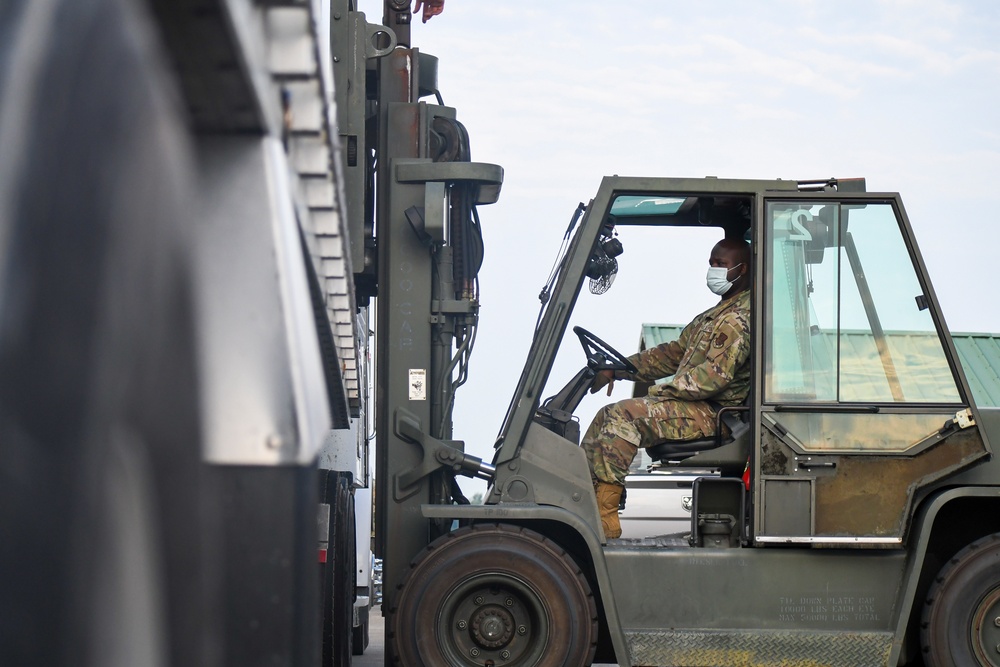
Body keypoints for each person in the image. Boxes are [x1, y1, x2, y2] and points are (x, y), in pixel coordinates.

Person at [583, 238, 752, 539]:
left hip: (714, 414)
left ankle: (604, 521)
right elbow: (673, 354)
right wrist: (620, 368)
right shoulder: (715, 315)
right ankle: (586, 503)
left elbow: (712, 377)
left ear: (742, 269)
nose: (713, 270)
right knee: (605, 415)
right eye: (711, 263)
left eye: (721, 265)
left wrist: (661, 392)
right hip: (696, 407)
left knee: (624, 416)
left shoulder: (738, 319)